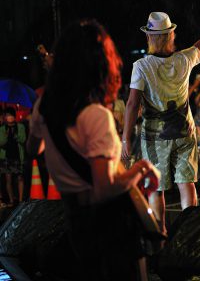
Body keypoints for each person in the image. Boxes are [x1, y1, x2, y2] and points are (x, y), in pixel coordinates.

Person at [28, 20, 160, 281]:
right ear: (102, 64)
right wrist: (140, 169)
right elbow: (104, 188)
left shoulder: (44, 107)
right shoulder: (96, 116)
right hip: (110, 228)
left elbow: (34, 148)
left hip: (75, 222)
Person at [122, 11, 200, 234]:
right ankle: (190, 233)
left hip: (155, 138)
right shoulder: (184, 59)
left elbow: (132, 104)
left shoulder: (141, 66)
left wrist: (125, 139)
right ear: (171, 35)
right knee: (186, 183)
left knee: (156, 189)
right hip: (184, 133)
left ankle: (160, 235)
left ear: (150, 37)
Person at [0, 109, 26, 205]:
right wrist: (5, 136)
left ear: (14, 116)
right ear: (5, 117)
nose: (9, 117)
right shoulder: (2, 129)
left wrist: (16, 136)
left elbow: (23, 140)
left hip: (18, 156)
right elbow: (1, 143)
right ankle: (11, 200)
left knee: (20, 178)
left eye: (11, 115)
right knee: (8, 179)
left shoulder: (20, 126)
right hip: (6, 157)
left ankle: (20, 200)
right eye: (7, 115)